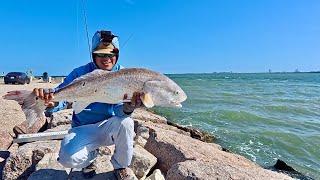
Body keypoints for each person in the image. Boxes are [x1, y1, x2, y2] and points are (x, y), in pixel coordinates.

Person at [33, 30, 140, 180]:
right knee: (66, 159)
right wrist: (52, 103)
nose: (107, 59)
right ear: (93, 54)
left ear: (117, 54)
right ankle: (91, 157)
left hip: (109, 126)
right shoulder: (80, 73)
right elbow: (61, 96)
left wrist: (128, 108)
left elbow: (120, 112)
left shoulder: (125, 75)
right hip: (82, 128)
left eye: (111, 54)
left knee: (127, 123)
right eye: (101, 54)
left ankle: (121, 166)